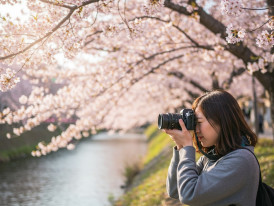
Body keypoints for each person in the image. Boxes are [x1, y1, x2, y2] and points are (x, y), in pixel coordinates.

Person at [164, 90, 259, 206]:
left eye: (199, 122)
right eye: (194, 123)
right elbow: (175, 190)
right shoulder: (212, 156)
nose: (196, 129)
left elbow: (189, 194)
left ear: (222, 120)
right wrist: (180, 148)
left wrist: (187, 147)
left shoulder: (241, 160)